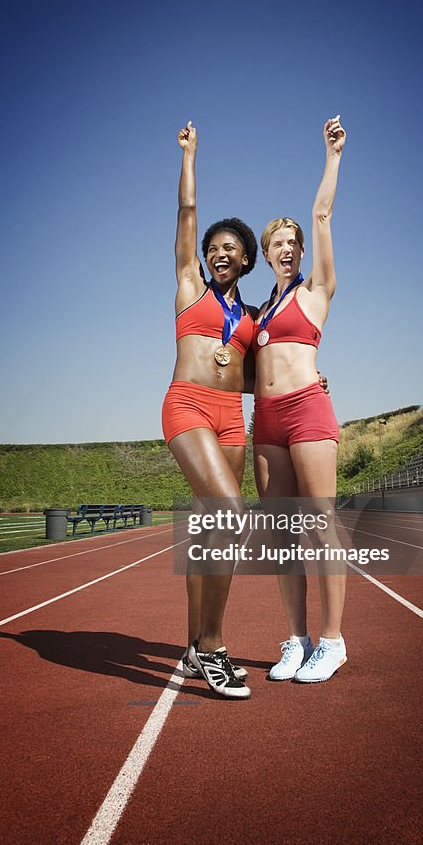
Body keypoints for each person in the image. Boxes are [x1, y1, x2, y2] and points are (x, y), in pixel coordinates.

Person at [162, 120, 257, 700]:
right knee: (231, 515)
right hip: (187, 406)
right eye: (213, 249)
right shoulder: (187, 286)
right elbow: (188, 210)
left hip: (231, 417)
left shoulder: (250, 317)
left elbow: (252, 377)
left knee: (206, 533)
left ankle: (194, 647)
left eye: (231, 250)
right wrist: (191, 156)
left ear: (246, 262)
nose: (220, 254)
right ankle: (217, 648)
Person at [253, 114, 347, 683]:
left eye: (294, 244)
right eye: (278, 245)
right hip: (265, 421)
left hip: (307, 412)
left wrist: (332, 155)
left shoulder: (316, 290)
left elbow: (322, 212)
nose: (288, 250)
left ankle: (333, 642)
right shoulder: (261, 311)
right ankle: (296, 639)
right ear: (266, 255)